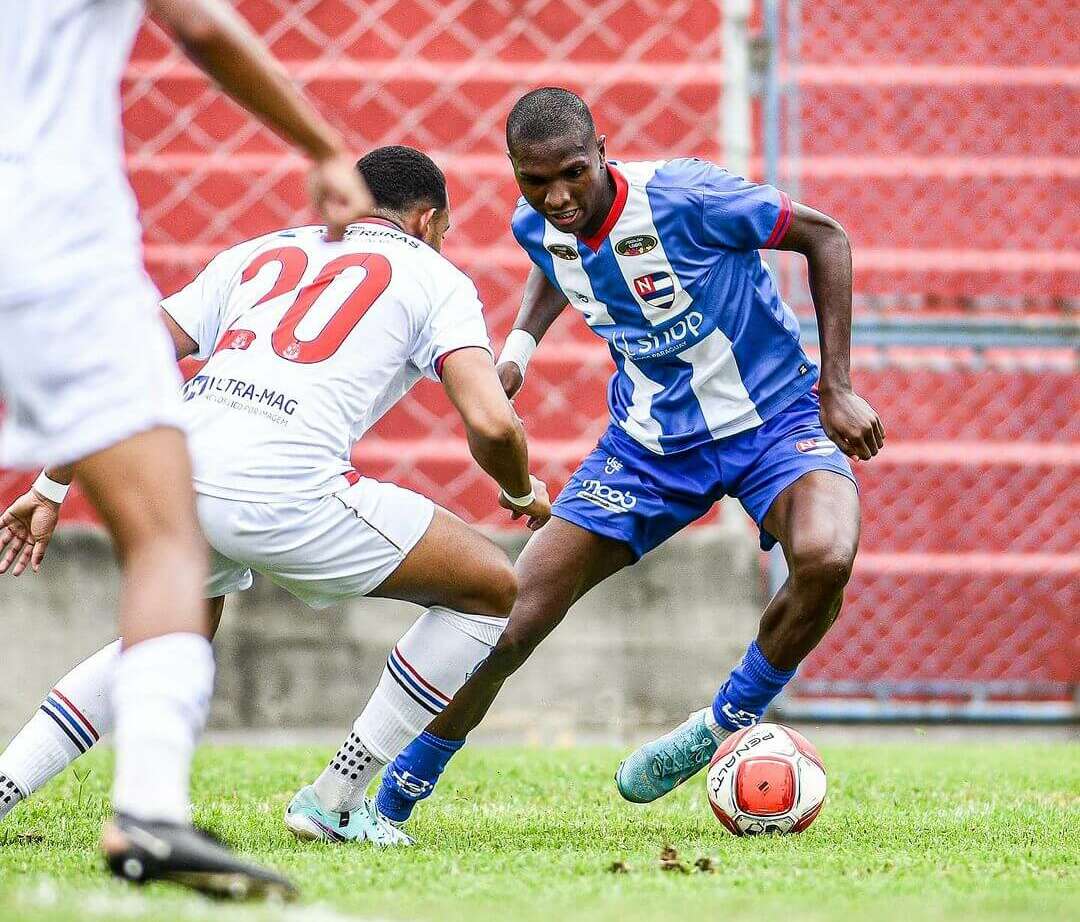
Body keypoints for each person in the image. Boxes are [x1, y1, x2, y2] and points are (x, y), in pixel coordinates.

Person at [0, 149, 549, 867]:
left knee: (171, 633)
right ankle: (338, 798)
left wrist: (52, 482)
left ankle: (6, 786)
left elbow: (133, 354)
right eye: (443, 227)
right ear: (429, 219)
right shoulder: (435, 274)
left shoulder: (264, 250)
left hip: (180, 472)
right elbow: (493, 423)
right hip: (284, 487)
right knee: (491, 588)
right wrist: (519, 489)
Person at [374, 87, 884, 822]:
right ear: (515, 171)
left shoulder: (690, 196)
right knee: (510, 619)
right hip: (648, 448)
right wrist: (517, 350)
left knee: (828, 556)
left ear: (603, 152)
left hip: (774, 420)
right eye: (535, 180)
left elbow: (825, 236)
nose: (557, 197)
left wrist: (836, 383)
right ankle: (395, 795)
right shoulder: (536, 224)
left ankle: (723, 724)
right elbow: (557, 259)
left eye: (572, 174)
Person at [0, 0, 378, 899]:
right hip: (51, 245)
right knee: (171, 541)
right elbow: (203, 27)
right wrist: (323, 146)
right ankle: (148, 810)